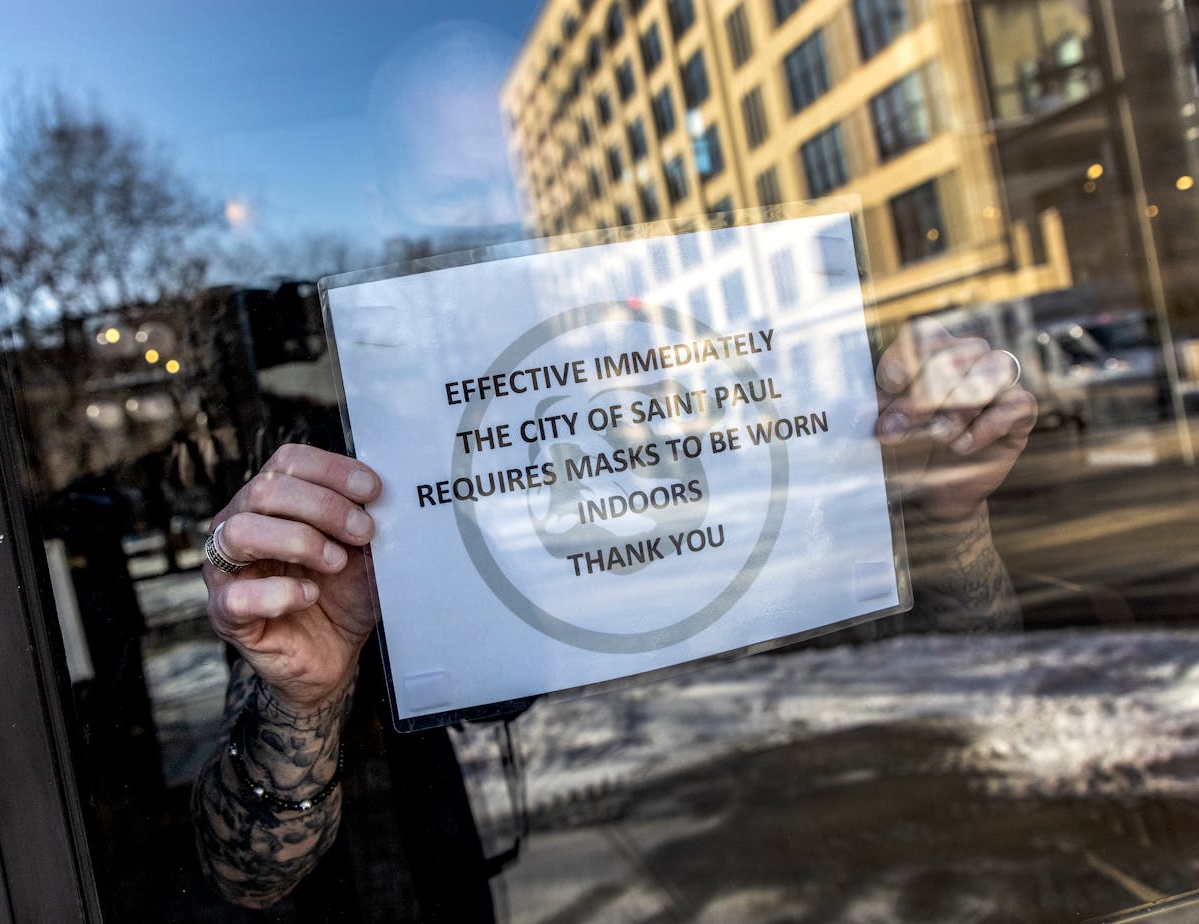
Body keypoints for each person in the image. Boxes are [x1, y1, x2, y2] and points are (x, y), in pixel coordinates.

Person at [191, 317, 1036, 913]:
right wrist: (303, 701)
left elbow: (985, 703)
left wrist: (950, 520)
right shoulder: (343, 520)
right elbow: (253, 872)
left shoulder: (743, 439)